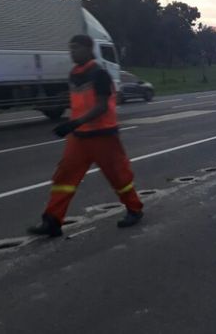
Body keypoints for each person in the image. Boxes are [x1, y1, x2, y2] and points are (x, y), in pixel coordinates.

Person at [28, 35, 143, 238]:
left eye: (77, 48)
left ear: (89, 49)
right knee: (64, 177)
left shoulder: (99, 74)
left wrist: (74, 123)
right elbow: (76, 102)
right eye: (70, 48)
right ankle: (52, 221)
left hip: (103, 136)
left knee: (118, 176)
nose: (72, 52)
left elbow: (101, 106)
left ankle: (134, 209)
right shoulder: (74, 74)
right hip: (79, 137)